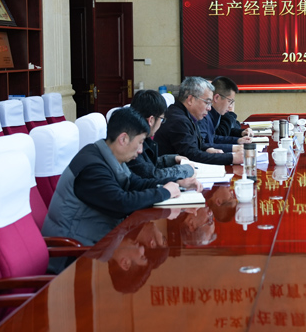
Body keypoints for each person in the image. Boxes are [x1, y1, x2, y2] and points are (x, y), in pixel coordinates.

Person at [42, 107, 201, 271]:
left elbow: (135, 183)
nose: (140, 150)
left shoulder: (107, 155)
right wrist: (165, 192)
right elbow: (122, 203)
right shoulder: (92, 168)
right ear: (123, 139)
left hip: (98, 244)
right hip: (71, 256)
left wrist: (177, 183)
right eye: (140, 142)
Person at [154, 76, 243, 165]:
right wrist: (232, 158)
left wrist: (207, 149)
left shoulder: (186, 115)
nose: (209, 108)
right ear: (190, 100)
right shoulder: (178, 120)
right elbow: (192, 155)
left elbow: (196, 143)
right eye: (207, 102)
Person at [127, 89, 195, 180]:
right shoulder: (132, 142)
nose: (161, 123)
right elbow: (153, 176)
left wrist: (173, 159)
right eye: (162, 119)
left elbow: (148, 164)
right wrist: (186, 170)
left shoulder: (139, 134)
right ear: (151, 120)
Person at [197, 76, 252, 151]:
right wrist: (233, 148)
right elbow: (202, 145)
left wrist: (238, 140)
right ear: (216, 98)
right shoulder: (203, 115)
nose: (230, 106)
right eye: (230, 101)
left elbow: (213, 138)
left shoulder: (215, 114)